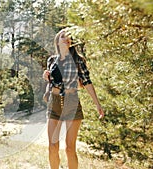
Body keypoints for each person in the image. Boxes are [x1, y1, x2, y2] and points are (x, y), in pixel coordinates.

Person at [43, 29, 104, 169]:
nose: (66, 39)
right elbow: (51, 81)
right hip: (54, 102)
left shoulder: (78, 60)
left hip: (72, 102)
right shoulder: (51, 60)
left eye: (69, 38)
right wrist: (46, 77)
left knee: (70, 148)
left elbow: (87, 82)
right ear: (57, 40)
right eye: (63, 37)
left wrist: (97, 104)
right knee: (52, 146)